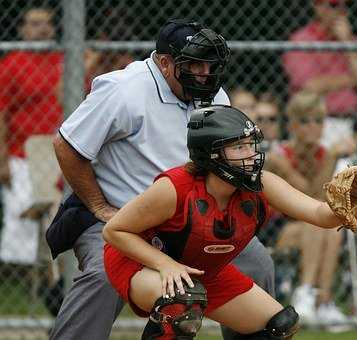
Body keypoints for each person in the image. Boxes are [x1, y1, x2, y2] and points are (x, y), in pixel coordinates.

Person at [47, 19, 274, 340]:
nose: (205, 74)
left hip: (190, 217)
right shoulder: (125, 90)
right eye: (195, 65)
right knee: (102, 276)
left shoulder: (213, 95)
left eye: (210, 66)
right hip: (121, 219)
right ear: (165, 63)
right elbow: (67, 146)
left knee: (257, 263)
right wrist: (99, 206)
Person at [102, 104, 357, 339]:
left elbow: (319, 215)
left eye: (251, 145)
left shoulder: (260, 184)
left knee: (278, 325)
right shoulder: (175, 188)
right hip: (141, 262)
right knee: (182, 301)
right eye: (238, 147)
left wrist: (348, 203)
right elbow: (114, 231)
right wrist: (164, 264)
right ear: (211, 154)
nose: (251, 154)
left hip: (202, 269)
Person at [272, 92, 346, 326]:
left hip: (314, 228)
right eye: (305, 121)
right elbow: (309, 196)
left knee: (334, 228)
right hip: (281, 229)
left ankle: (322, 300)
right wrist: (332, 157)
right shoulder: (279, 156)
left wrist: (330, 158)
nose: (313, 127)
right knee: (317, 221)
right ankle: (306, 293)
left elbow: (323, 204)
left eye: (319, 121)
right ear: (293, 125)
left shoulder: (324, 154)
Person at [0, 7, 63, 265]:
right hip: (21, 154)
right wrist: (2, 159)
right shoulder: (11, 63)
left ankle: (52, 280)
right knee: (20, 222)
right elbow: (1, 114)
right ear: (23, 30)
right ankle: (23, 280)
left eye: (47, 23)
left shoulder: (64, 60)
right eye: (35, 23)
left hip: (61, 154)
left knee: (57, 216)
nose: (43, 28)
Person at [282, 0, 357, 148]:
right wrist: (354, 79)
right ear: (318, 7)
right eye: (333, 5)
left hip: (349, 123)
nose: (341, 10)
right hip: (311, 123)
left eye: (344, 5)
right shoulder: (302, 39)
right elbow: (311, 86)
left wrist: (346, 42)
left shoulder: (352, 41)